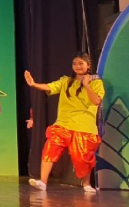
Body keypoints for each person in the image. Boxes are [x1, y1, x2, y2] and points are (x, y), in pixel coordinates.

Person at [25, 53, 105, 193]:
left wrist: (86, 85)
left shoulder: (96, 83)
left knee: (83, 158)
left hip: (83, 126)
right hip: (63, 124)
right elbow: (49, 87)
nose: (77, 66)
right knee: (50, 148)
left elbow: (96, 101)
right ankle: (43, 182)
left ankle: (86, 184)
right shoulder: (66, 81)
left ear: (88, 65)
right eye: (75, 63)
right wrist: (34, 84)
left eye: (81, 63)